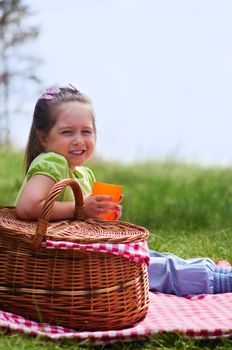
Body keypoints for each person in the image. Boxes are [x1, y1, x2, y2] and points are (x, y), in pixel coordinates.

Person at [16, 85, 232, 297]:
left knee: (149, 256)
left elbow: (80, 221)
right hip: (61, 260)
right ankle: (218, 281)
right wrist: (80, 208)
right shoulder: (51, 162)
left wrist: (100, 215)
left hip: (82, 253)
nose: (79, 140)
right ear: (43, 137)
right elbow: (27, 207)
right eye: (67, 132)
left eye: (86, 131)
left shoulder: (83, 174)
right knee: (148, 267)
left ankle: (215, 272)